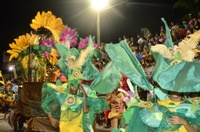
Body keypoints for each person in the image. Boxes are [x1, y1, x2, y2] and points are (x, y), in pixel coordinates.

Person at [42, 80, 108, 132]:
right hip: (65, 128)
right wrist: (51, 118)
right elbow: (49, 107)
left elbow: (86, 111)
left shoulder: (81, 98)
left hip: (78, 129)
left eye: (76, 86)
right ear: (68, 85)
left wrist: (84, 95)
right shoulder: (62, 96)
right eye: (72, 85)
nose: (74, 88)